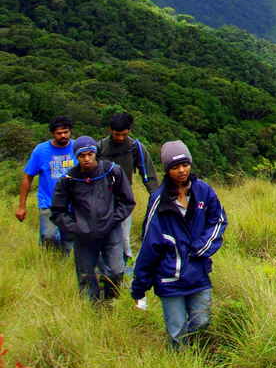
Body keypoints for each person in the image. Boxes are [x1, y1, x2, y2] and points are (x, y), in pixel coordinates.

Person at [132, 141, 227, 348]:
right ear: (167, 170)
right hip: (169, 278)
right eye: (175, 167)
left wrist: (202, 247)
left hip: (198, 273)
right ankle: (180, 360)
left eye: (185, 164)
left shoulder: (203, 191)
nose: (182, 170)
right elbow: (149, 245)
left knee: (202, 322)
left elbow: (218, 220)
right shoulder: (159, 200)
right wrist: (140, 286)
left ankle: (195, 354)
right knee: (177, 332)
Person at [50, 136, 135, 301]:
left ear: (96, 153)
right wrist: (76, 228)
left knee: (116, 271)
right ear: (76, 157)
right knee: (86, 276)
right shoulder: (69, 180)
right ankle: (91, 309)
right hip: (84, 236)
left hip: (111, 231)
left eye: (90, 154)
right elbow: (58, 211)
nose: (87, 159)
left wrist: (113, 220)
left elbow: (127, 201)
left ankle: (111, 302)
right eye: (82, 156)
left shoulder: (112, 171)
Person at [97, 112, 158, 266]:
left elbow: (148, 175)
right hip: (101, 197)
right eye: (117, 134)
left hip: (124, 198)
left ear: (129, 130)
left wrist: (157, 197)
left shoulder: (135, 147)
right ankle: (104, 267)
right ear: (110, 130)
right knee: (101, 233)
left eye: (124, 134)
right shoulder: (100, 147)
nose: (120, 138)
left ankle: (125, 266)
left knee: (123, 236)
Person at [16, 115, 76, 253]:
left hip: (73, 203)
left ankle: (63, 263)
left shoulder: (77, 147)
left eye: (66, 132)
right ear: (52, 133)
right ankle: (49, 260)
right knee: (48, 236)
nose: (63, 136)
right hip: (49, 202)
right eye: (59, 133)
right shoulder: (41, 150)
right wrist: (21, 206)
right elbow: (28, 178)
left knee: (70, 240)